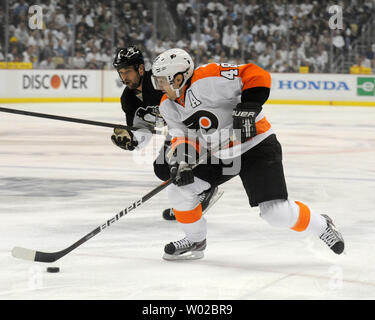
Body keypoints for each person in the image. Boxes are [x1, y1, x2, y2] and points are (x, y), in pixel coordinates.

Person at [150, 48, 345, 261]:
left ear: (178, 78)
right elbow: (182, 136)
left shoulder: (208, 78)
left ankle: (322, 225)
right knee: (179, 190)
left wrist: (249, 107)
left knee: (276, 214)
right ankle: (196, 239)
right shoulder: (167, 105)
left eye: (161, 81)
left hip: (256, 145)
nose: (158, 86)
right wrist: (182, 161)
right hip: (220, 154)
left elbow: (256, 74)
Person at [111, 46, 222, 221]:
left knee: (178, 163)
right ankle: (186, 202)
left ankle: (205, 190)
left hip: (191, 126)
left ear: (140, 68)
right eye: (121, 72)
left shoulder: (158, 81)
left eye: (127, 72)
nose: (124, 77)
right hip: (176, 130)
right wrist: (131, 140)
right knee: (163, 169)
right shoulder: (127, 99)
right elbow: (142, 130)